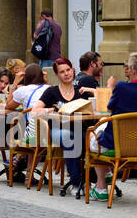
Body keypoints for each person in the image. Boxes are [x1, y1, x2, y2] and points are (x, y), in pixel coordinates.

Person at [89, 52, 137, 202]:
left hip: (115, 144)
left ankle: (101, 186)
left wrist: (111, 87)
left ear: (134, 70)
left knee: (92, 136)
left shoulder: (122, 87)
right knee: (99, 135)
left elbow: (110, 109)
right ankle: (107, 175)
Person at [32, 57, 96, 190]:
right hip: (58, 130)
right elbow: (35, 111)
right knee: (69, 138)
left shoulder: (81, 91)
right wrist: (52, 109)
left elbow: (102, 105)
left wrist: (93, 91)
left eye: (68, 70)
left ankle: (92, 179)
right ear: (56, 74)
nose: (66, 74)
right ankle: (76, 183)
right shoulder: (52, 91)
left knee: (94, 139)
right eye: (62, 72)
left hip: (80, 128)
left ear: (73, 70)